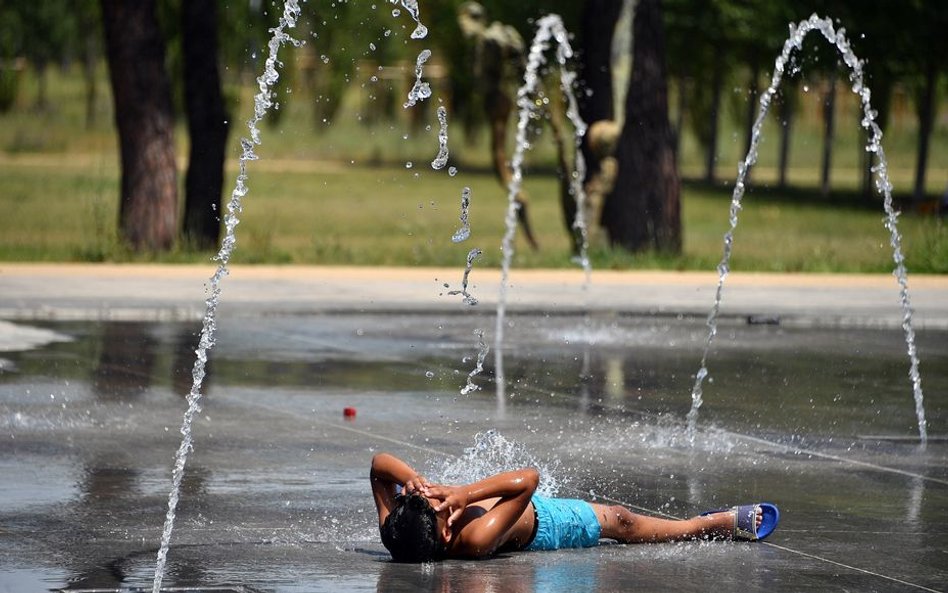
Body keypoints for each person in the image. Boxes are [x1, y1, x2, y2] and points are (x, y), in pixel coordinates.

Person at [370, 452, 780, 562]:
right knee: (621, 520)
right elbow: (528, 481)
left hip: (514, 504)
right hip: (545, 525)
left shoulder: (398, 534)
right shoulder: (473, 538)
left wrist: (415, 482)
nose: (442, 499)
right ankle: (702, 526)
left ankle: (699, 524)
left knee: (620, 517)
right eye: (441, 506)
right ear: (445, 533)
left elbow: (378, 467)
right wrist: (464, 494)